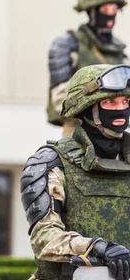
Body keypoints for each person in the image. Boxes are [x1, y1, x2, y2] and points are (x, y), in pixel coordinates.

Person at [23, 64, 130, 280]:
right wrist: (97, 248)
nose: (121, 108)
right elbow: (44, 237)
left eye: (126, 101)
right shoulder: (53, 162)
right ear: (87, 107)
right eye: (110, 101)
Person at [47, 0, 128, 135]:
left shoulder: (118, 51)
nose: (111, 14)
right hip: (80, 129)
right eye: (105, 9)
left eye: (114, 9)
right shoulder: (67, 44)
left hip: (115, 131)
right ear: (91, 10)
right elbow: (61, 101)